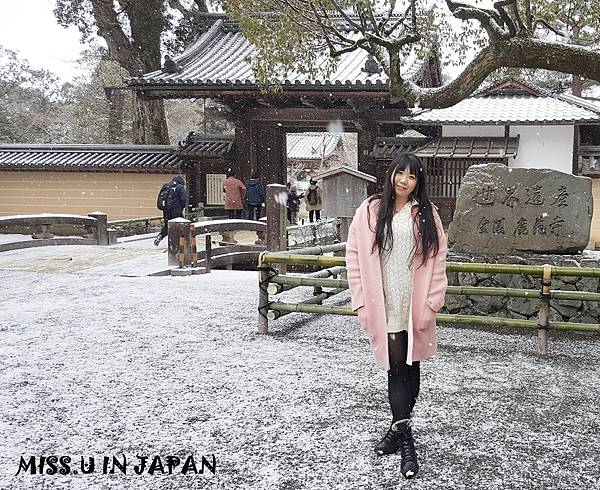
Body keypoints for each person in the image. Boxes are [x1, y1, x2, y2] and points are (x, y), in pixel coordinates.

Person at [345, 153, 448, 480]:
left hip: (413, 303)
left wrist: (431, 303)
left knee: (411, 364)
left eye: (412, 176)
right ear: (390, 174)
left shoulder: (427, 214)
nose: (404, 180)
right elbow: (354, 257)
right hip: (384, 302)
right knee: (396, 369)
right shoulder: (370, 210)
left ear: (419, 182)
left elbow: (439, 259)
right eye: (400, 173)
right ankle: (406, 442)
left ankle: (397, 431)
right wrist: (361, 302)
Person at [154, 175, 188, 246]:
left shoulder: (166, 186)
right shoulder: (180, 187)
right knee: (180, 226)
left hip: (166, 211)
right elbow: (184, 199)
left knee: (168, 225)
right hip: (176, 211)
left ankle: (161, 236)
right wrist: (181, 207)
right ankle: (177, 244)